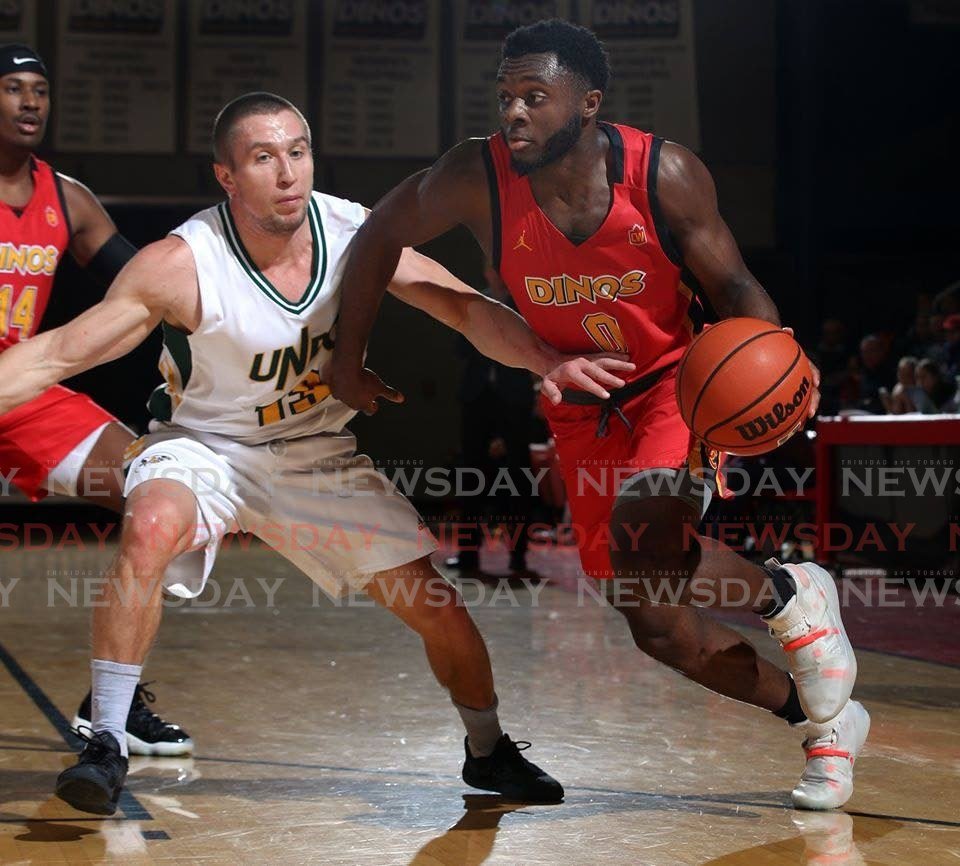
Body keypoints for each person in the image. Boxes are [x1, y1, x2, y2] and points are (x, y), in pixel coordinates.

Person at [0, 90, 631, 815]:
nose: (287, 172)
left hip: (311, 454)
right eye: (263, 158)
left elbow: (460, 305)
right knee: (148, 526)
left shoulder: (355, 234)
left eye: (296, 151)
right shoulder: (180, 263)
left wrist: (545, 360)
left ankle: (488, 748)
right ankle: (106, 741)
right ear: (227, 177)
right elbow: (53, 355)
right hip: (204, 447)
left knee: (437, 606)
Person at [329, 19, 867, 811]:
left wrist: (777, 350)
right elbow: (376, 234)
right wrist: (349, 356)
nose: (513, 112)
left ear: (588, 103)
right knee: (659, 629)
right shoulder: (473, 176)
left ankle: (789, 593)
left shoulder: (665, 174)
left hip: (675, 386)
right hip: (581, 407)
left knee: (645, 533)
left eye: (534, 97)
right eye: (505, 95)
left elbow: (737, 288)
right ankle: (824, 719)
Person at [0, 43, 190, 756]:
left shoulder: (66, 197)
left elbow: (142, 280)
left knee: (165, 495)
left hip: (23, 385)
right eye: (13, 88)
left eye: (39, 91)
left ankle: (114, 697)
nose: (29, 103)